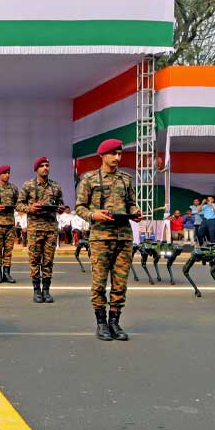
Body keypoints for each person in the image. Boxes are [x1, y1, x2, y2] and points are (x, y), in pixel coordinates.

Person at [75, 138, 141, 342]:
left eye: (119, 154)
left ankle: (115, 321)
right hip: (101, 237)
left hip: (123, 236)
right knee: (99, 283)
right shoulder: (89, 179)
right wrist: (94, 215)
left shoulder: (126, 179)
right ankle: (101, 322)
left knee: (120, 283)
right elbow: (80, 207)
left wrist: (135, 211)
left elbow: (131, 203)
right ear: (102, 155)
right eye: (113, 153)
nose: (117, 158)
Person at [16, 156, 64, 303]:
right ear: (36, 169)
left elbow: (61, 204)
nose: (45, 168)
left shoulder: (55, 186)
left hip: (50, 228)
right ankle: (36, 290)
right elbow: (18, 205)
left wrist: (60, 208)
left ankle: (46, 290)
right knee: (35, 260)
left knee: (48, 260)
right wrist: (30, 208)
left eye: (47, 165)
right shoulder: (28, 185)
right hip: (35, 228)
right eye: (42, 165)